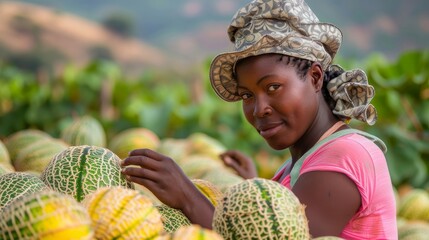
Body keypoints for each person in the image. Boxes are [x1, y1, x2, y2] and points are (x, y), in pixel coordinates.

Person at [121, 0, 398, 238]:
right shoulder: (301, 162)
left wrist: (186, 196)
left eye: (273, 87)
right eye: (247, 95)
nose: (259, 109)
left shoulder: (345, 155)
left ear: (314, 77)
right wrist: (256, 188)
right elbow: (270, 226)